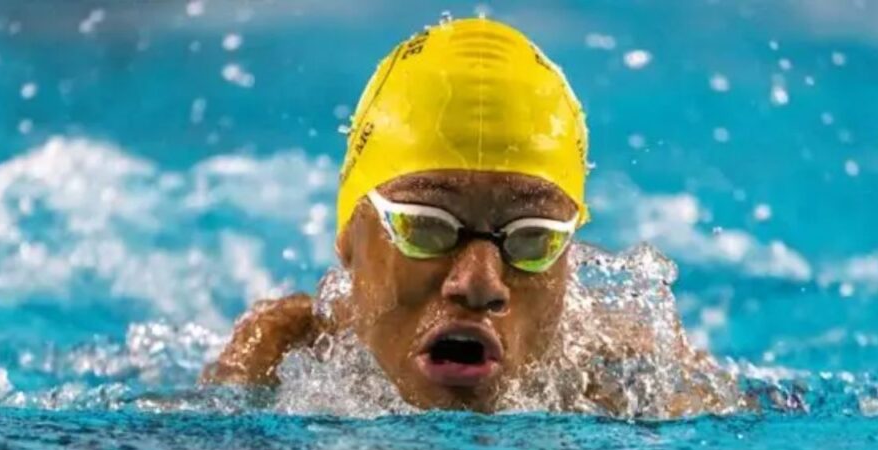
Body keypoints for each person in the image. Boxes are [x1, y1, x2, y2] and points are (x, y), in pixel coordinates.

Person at [203, 17, 739, 417]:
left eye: (534, 239)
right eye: (425, 226)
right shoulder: (278, 357)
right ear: (348, 237)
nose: (480, 285)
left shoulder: (625, 377)